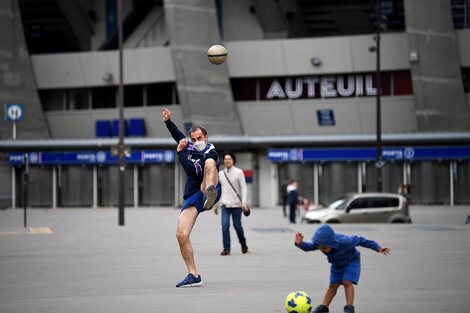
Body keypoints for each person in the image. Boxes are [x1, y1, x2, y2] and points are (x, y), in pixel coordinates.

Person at [162, 107, 221, 288]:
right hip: (192, 196)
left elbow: (192, 170)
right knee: (181, 235)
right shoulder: (190, 147)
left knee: (210, 165)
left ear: (206, 138)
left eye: (199, 139)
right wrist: (168, 121)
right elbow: (179, 137)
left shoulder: (211, 153)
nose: (196, 142)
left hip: (207, 187)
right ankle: (193, 275)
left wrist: (180, 153)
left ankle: (210, 196)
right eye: (193, 140)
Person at [294, 225, 391, 313]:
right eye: (320, 248)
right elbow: (308, 247)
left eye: (324, 248)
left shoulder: (346, 241)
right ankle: (324, 307)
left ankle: (349, 308)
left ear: (331, 243)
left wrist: (378, 247)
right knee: (333, 285)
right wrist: (300, 243)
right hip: (336, 265)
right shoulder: (321, 244)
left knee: (346, 282)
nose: (322, 250)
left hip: (351, 262)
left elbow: (361, 240)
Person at [214, 152, 249, 255]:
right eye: (225, 159)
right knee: (225, 226)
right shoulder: (220, 174)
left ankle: (243, 243)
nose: (227, 160)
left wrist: (244, 202)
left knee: (237, 226)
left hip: (237, 205)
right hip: (224, 204)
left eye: (229, 159)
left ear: (233, 161)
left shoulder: (239, 172)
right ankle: (227, 249)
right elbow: (217, 190)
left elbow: (244, 188)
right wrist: (215, 205)